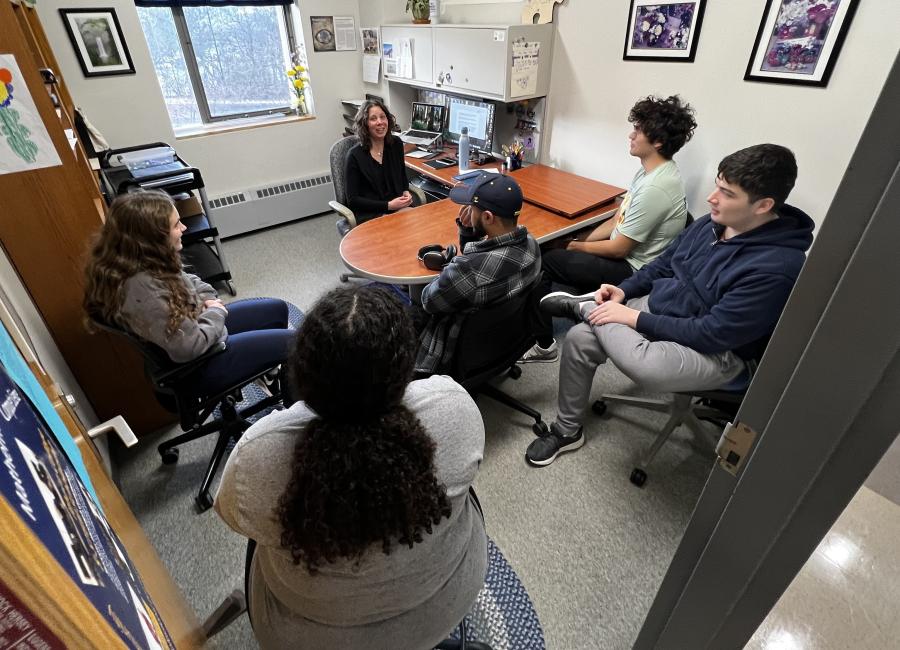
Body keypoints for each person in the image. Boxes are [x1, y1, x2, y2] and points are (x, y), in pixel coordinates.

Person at [215, 286, 488, 649]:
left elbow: (234, 517)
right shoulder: (453, 405)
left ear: (301, 372)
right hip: (445, 599)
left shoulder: (257, 452)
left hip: (312, 636)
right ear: (406, 366)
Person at [525, 144, 814, 466]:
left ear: (763, 205)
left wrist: (632, 318)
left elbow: (711, 334)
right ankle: (567, 431)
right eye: (717, 185)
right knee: (579, 339)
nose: (712, 198)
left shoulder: (777, 268)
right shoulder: (709, 224)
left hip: (716, 349)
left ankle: (586, 308)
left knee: (647, 367)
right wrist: (624, 291)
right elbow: (662, 265)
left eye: (727, 193)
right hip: (664, 308)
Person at [521, 95, 698, 363]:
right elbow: (618, 218)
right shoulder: (649, 172)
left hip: (634, 268)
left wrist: (572, 247)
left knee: (545, 260)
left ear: (658, 142)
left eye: (637, 131)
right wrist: (579, 239)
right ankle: (572, 301)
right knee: (558, 246)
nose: (631, 135)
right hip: (624, 255)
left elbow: (619, 249)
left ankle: (544, 345)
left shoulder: (657, 187)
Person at [83, 191, 293, 398]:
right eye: (176, 225)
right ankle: (299, 414)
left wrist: (208, 301)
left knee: (276, 309)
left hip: (200, 329)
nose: (183, 228)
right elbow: (190, 347)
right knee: (297, 343)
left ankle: (272, 374)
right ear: (152, 238)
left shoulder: (144, 259)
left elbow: (191, 281)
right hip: (201, 365)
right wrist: (215, 311)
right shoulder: (143, 291)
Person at [415, 173, 542, 374]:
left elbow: (429, 301)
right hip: (503, 342)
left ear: (488, 217)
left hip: (456, 353)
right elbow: (482, 260)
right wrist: (468, 231)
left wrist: (451, 265)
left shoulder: (468, 271)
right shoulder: (532, 245)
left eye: (472, 208)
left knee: (408, 303)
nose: (467, 211)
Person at [344, 99, 418, 225]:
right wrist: (388, 205)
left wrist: (405, 191)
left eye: (383, 117)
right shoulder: (354, 156)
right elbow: (353, 200)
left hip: (396, 206)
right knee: (403, 227)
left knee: (418, 224)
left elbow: (402, 178)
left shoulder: (396, 145)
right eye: (373, 119)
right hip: (370, 212)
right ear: (365, 124)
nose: (380, 122)